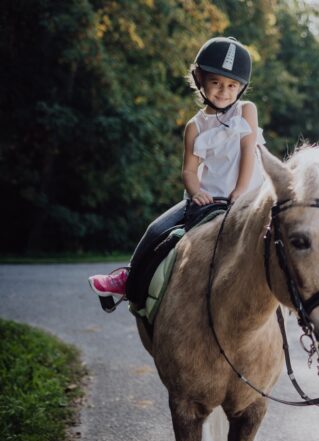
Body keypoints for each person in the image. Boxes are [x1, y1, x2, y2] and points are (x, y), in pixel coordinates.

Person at [88, 36, 265, 303]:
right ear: (200, 79)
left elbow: (248, 150)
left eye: (232, 85)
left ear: (240, 88)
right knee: (157, 228)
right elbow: (189, 172)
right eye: (216, 82)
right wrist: (195, 194)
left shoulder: (247, 111)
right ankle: (129, 278)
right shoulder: (195, 126)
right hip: (209, 197)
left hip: (250, 195)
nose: (223, 91)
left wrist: (240, 191)